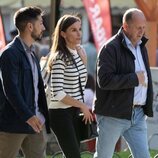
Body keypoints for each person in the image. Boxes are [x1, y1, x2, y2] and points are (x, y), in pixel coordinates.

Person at [94, 8, 153, 158]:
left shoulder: (141, 46)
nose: (142, 31)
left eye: (144, 27)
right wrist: (134, 78)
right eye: (138, 27)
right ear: (125, 26)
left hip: (138, 115)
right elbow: (104, 81)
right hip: (113, 115)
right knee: (103, 156)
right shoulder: (110, 48)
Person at [0, 6, 50, 158]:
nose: (44, 27)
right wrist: (28, 115)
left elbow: (35, 87)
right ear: (30, 26)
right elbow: (10, 89)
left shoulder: (32, 52)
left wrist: (39, 115)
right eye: (41, 23)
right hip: (13, 124)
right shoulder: (10, 53)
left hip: (35, 123)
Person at [47, 14, 93, 158]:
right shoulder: (60, 57)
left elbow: (80, 84)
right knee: (73, 154)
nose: (79, 33)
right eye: (73, 30)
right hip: (59, 113)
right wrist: (82, 105)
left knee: (73, 153)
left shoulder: (77, 53)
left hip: (73, 110)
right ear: (63, 34)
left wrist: (84, 61)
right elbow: (58, 93)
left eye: (79, 29)